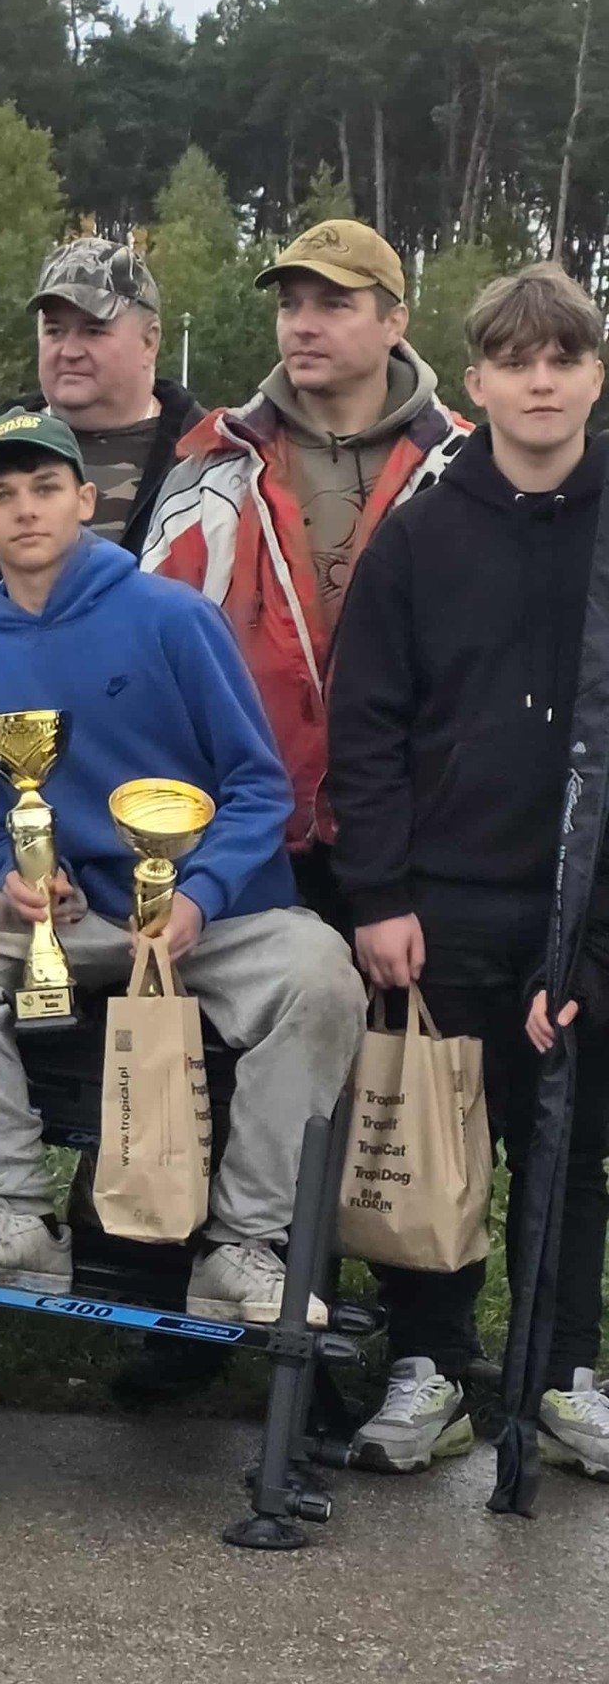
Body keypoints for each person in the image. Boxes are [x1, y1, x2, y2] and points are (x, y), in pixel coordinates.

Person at [0, 409, 366, 1323]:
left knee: (324, 979)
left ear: (85, 500)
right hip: (80, 927)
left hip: (213, 918)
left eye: (45, 489)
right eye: (1, 497)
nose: (25, 511)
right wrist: (16, 874)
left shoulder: (172, 617)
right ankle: (20, 1215)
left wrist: (198, 896)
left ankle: (241, 1244)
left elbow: (257, 787)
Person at [329, 263, 609, 1476]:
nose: (539, 380)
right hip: (439, 906)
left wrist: (592, 944)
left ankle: (558, 1374)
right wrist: (380, 894)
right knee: (427, 1142)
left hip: (581, 912)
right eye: (515, 360)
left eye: (564, 357)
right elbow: (367, 725)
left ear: (594, 373)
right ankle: (429, 1361)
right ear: (477, 379)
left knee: (569, 1146)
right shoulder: (419, 534)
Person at [142, 220, 469, 921]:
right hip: (247, 845)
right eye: (290, 304)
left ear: (395, 322)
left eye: (334, 304)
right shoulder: (214, 468)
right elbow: (151, 656)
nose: (303, 326)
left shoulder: (469, 470)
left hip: (429, 846)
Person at [0, 237, 200, 907]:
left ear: (151, 339)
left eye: (93, 329)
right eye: (53, 328)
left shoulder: (213, 467)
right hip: (11, 841)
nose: (68, 348)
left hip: (170, 832)